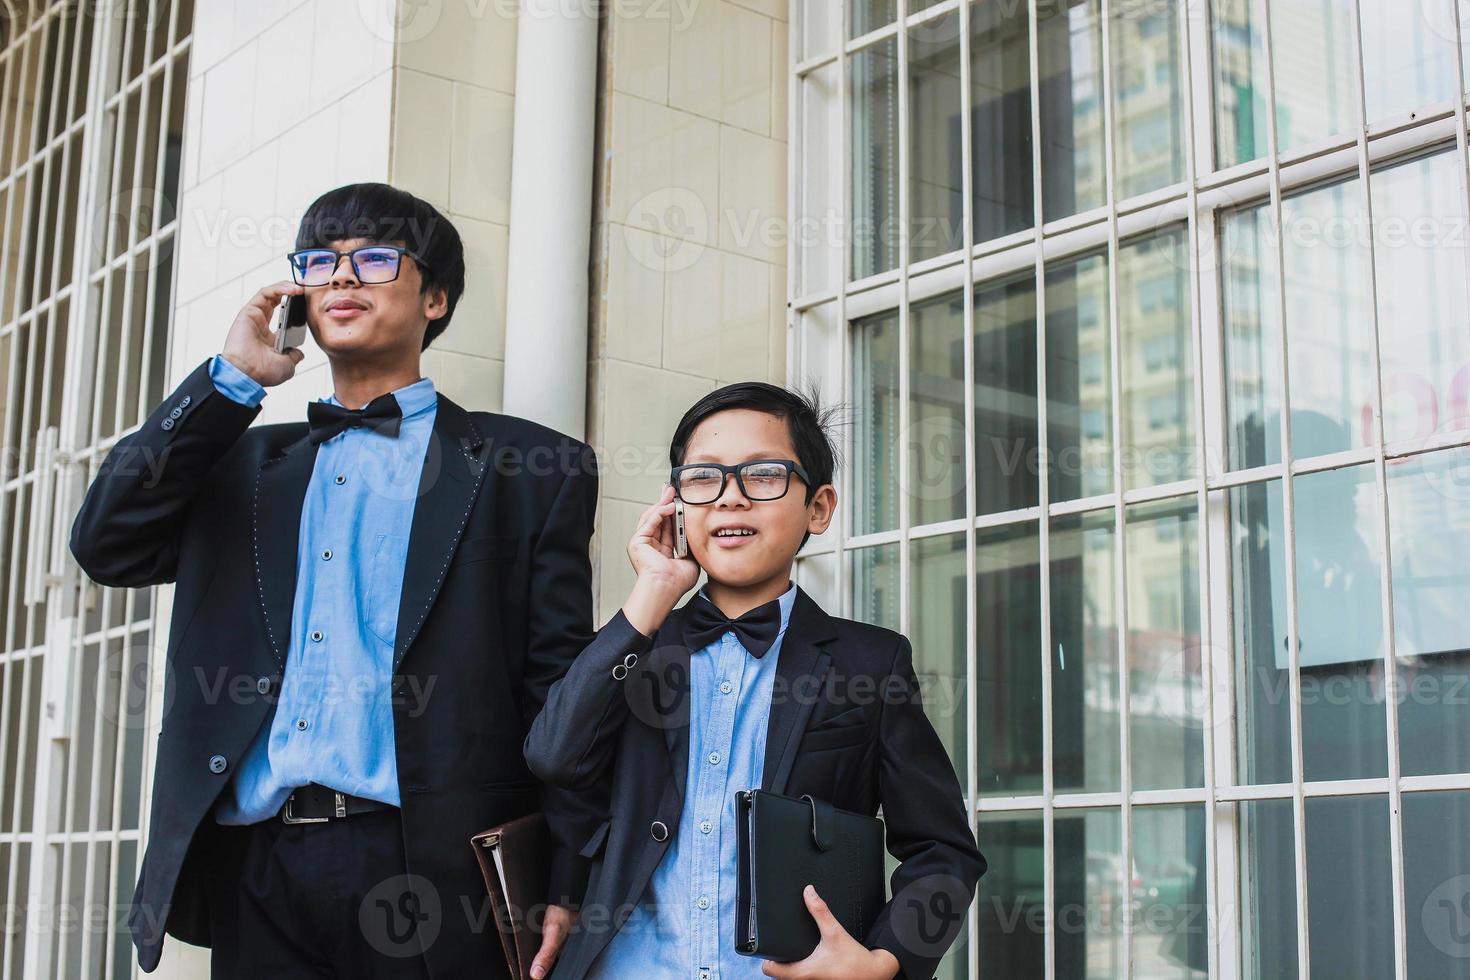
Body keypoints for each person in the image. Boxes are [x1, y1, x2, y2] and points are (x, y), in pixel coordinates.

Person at [69, 182, 598, 978]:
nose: (342, 277)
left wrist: (567, 877)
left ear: (437, 298)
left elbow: (558, 692)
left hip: (432, 867)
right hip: (259, 866)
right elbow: (106, 544)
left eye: (374, 258)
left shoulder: (530, 469)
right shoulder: (240, 463)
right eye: (320, 262)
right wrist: (229, 381)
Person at [524, 383, 986, 979]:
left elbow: (943, 850)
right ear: (677, 504)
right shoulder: (635, 644)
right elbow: (554, 756)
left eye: (763, 476)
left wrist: (886, 960)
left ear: (818, 508)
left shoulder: (871, 663)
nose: (730, 499)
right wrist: (654, 592)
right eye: (703, 478)